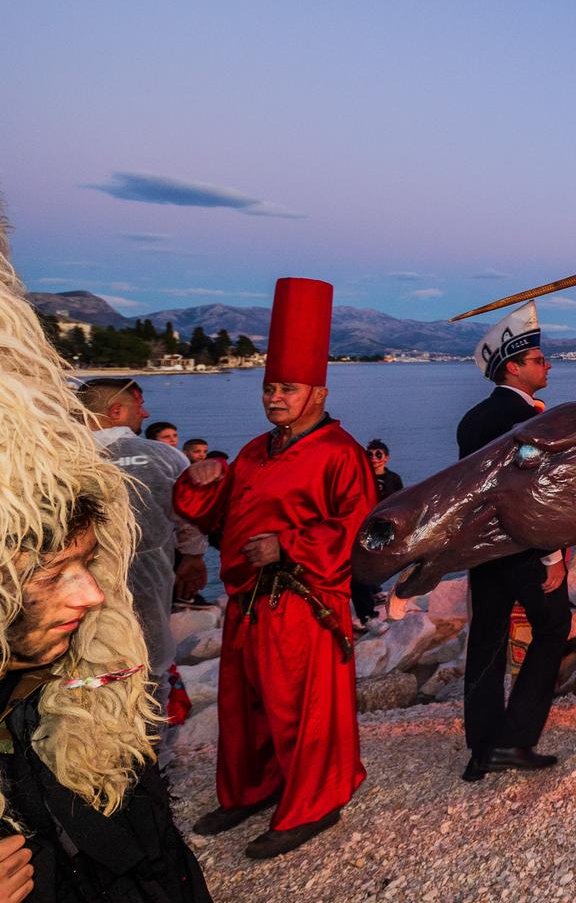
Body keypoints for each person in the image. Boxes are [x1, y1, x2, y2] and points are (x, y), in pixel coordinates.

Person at [0, 252, 211, 901]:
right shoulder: (160, 457)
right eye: (57, 571)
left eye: (87, 564)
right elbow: (192, 530)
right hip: (145, 617)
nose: (90, 591)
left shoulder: (74, 680)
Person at [173, 277, 374, 859]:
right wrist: (199, 478)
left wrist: (288, 544)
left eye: (287, 387)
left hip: (305, 604)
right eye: (269, 387)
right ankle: (250, 790)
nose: (274, 397)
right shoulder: (257, 451)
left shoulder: (343, 453)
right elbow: (208, 512)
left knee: (302, 711)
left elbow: (364, 532)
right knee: (246, 707)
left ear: (318, 391)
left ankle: (315, 804)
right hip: (247, 601)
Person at [456, 302, 569, 782]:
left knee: (486, 640)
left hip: (484, 551)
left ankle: (481, 749)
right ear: (514, 367)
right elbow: (535, 495)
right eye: (539, 360)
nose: (547, 366)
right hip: (525, 549)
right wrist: (553, 556)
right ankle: (515, 739)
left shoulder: (472, 419)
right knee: (552, 629)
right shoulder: (532, 422)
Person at [75, 378, 208, 734]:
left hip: (78, 591)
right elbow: (190, 515)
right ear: (116, 412)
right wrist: (194, 558)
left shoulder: (58, 458)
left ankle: (92, 752)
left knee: (87, 675)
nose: (145, 413)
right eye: (138, 406)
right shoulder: (165, 457)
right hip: (148, 583)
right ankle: (149, 759)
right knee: (151, 671)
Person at [350, 439, 403, 626]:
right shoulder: (359, 478)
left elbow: (401, 500)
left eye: (378, 454)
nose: (374, 458)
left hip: (382, 526)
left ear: (386, 458)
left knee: (378, 559)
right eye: (370, 454)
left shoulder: (393, 479)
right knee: (362, 562)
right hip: (360, 525)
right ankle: (369, 602)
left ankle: (375, 589)